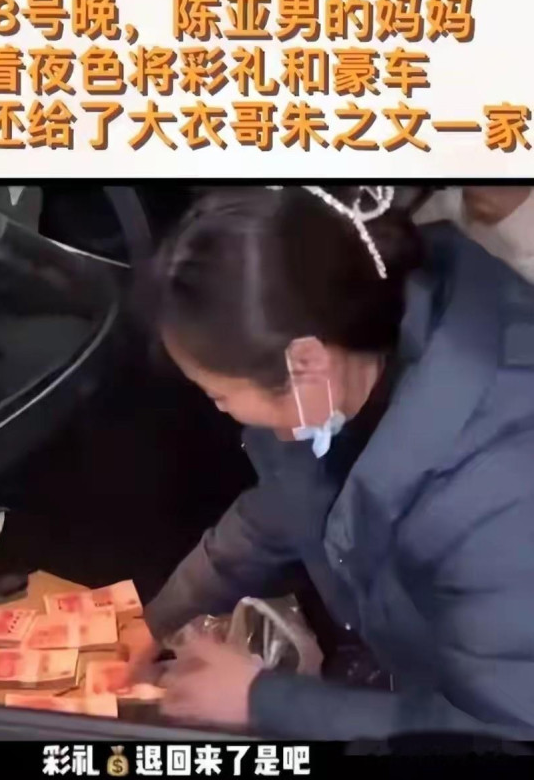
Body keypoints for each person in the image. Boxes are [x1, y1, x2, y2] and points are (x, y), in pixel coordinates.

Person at [128, 185, 534, 740]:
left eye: (220, 395)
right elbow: (286, 503)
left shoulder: (498, 488)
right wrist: (157, 620)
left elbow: (505, 733)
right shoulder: (352, 337)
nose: (221, 410)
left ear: (306, 363)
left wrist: (261, 700)